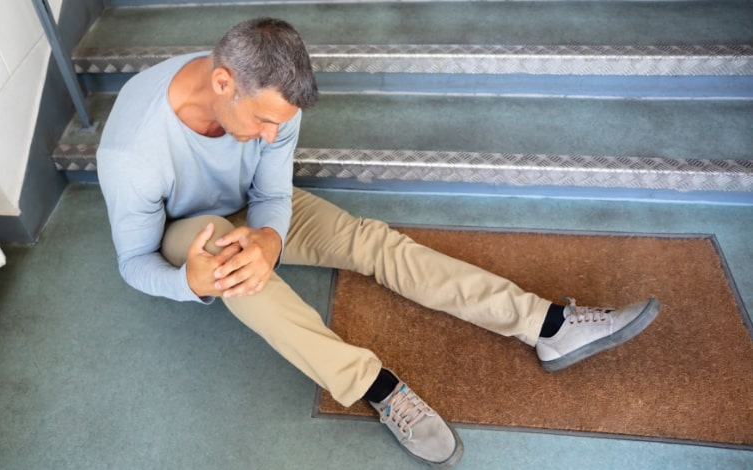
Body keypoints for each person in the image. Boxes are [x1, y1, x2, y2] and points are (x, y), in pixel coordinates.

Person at [97, 17, 661, 469]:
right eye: (265, 122)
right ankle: (377, 386)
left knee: (370, 243)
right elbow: (132, 262)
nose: (274, 134)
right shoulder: (134, 154)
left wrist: (270, 234)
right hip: (187, 235)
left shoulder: (275, 105)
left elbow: (271, 191)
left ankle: (548, 326)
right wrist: (188, 283)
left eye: (281, 124)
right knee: (232, 268)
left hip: (248, 210)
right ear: (224, 83)